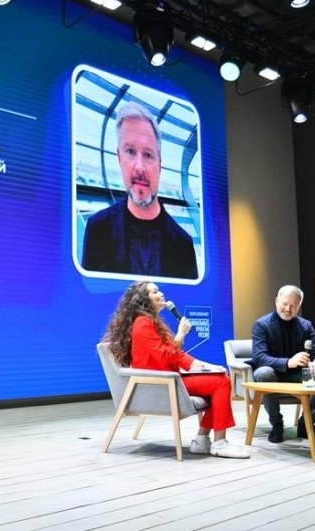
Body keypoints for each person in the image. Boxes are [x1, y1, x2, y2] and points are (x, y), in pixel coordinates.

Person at [104, 280, 249, 458]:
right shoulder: (142, 324)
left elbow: (177, 356)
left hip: (170, 379)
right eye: (155, 292)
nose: (161, 294)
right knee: (221, 382)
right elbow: (165, 356)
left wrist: (207, 366)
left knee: (220, 378)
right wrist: (180, 334)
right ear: (143, 299)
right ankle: (218, 442)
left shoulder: (152, 322)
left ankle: (202, 440)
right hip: (160, 384)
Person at [82, 102, 198, 279]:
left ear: (160, 165)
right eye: (130, 151)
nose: (139, 167)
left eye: (148, 155)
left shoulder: (183, 245)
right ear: (119, 158)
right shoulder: (98, 230)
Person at [251, 285, 315, 443]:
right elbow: (259, 357)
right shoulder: (262, 324)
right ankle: (277, 424)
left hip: (299, 374)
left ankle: (306, 424)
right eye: (285, 304)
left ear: (299, 306)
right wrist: (288, 362)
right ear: (277, 301)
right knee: (264, 372)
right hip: (273, 373)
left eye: (294, 305)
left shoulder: (305, 325)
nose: (288, 309)